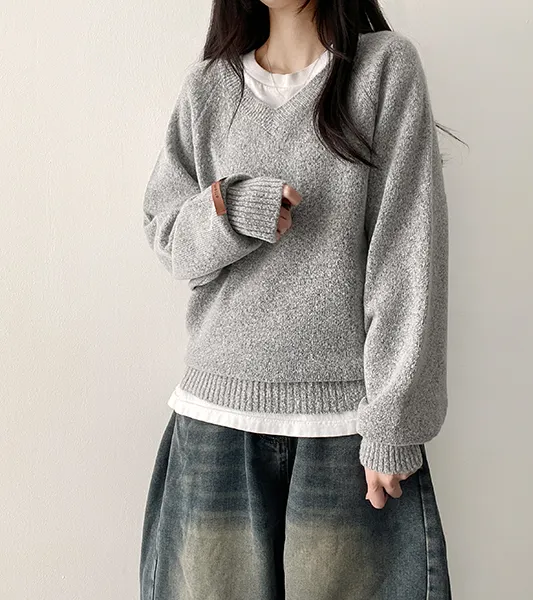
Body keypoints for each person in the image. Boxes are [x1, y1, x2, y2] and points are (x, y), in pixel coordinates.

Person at [139, 1, 454, 598]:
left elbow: (409, 255)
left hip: (346, 429)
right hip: (214, 421)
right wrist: (231, 208)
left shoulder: (385, 69)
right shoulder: (209, 87)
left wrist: (394, 422)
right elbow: (167, 236)